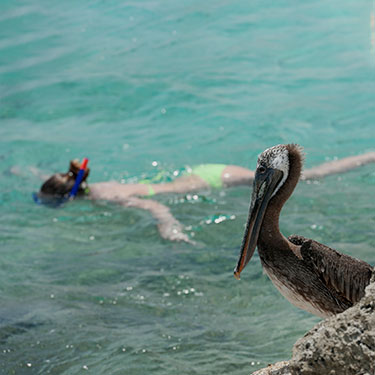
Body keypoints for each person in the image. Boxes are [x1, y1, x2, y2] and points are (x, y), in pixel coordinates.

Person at [35, 151, 375, 242]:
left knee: (309, 177)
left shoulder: (102, 198)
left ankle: (368, 156)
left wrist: (169, 228)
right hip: (203, 173)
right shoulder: (95, 186)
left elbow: (153, 205)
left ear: (71, 198)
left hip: (215, 181)